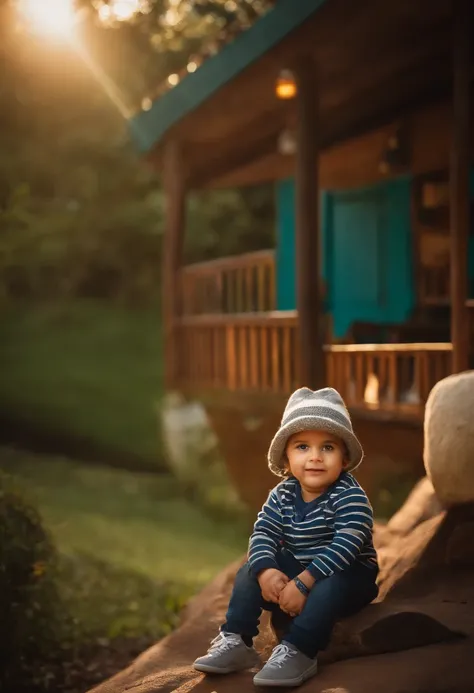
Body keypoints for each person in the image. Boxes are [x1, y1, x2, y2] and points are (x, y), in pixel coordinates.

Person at [193, 387, 379, 688]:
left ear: (344, 458)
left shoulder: (350, 495)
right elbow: (264, 532)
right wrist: (267, 572)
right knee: (250, 569)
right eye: (303, 447)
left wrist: (304, 583)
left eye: (328, 448)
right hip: (297, 568)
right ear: (286, 457)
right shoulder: (282, 494)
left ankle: (299, 650)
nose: (315, 457)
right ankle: (237, 640)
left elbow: (347, 544)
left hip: (348, 575)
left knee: (330, 586)